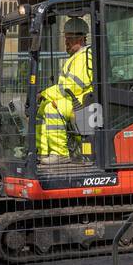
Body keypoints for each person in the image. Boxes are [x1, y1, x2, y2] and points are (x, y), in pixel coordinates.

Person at [36, 17, 94, 163]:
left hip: (81, 100)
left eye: (70, 38)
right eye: (65, 38)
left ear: (80, 38)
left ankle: (60, 154)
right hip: (73, 98)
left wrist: (45, 94)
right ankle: (41, 151)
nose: (66, 42)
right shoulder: (76, 56)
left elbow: (71, 87)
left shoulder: (84, 56)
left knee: (53, 108)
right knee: (42, 107)